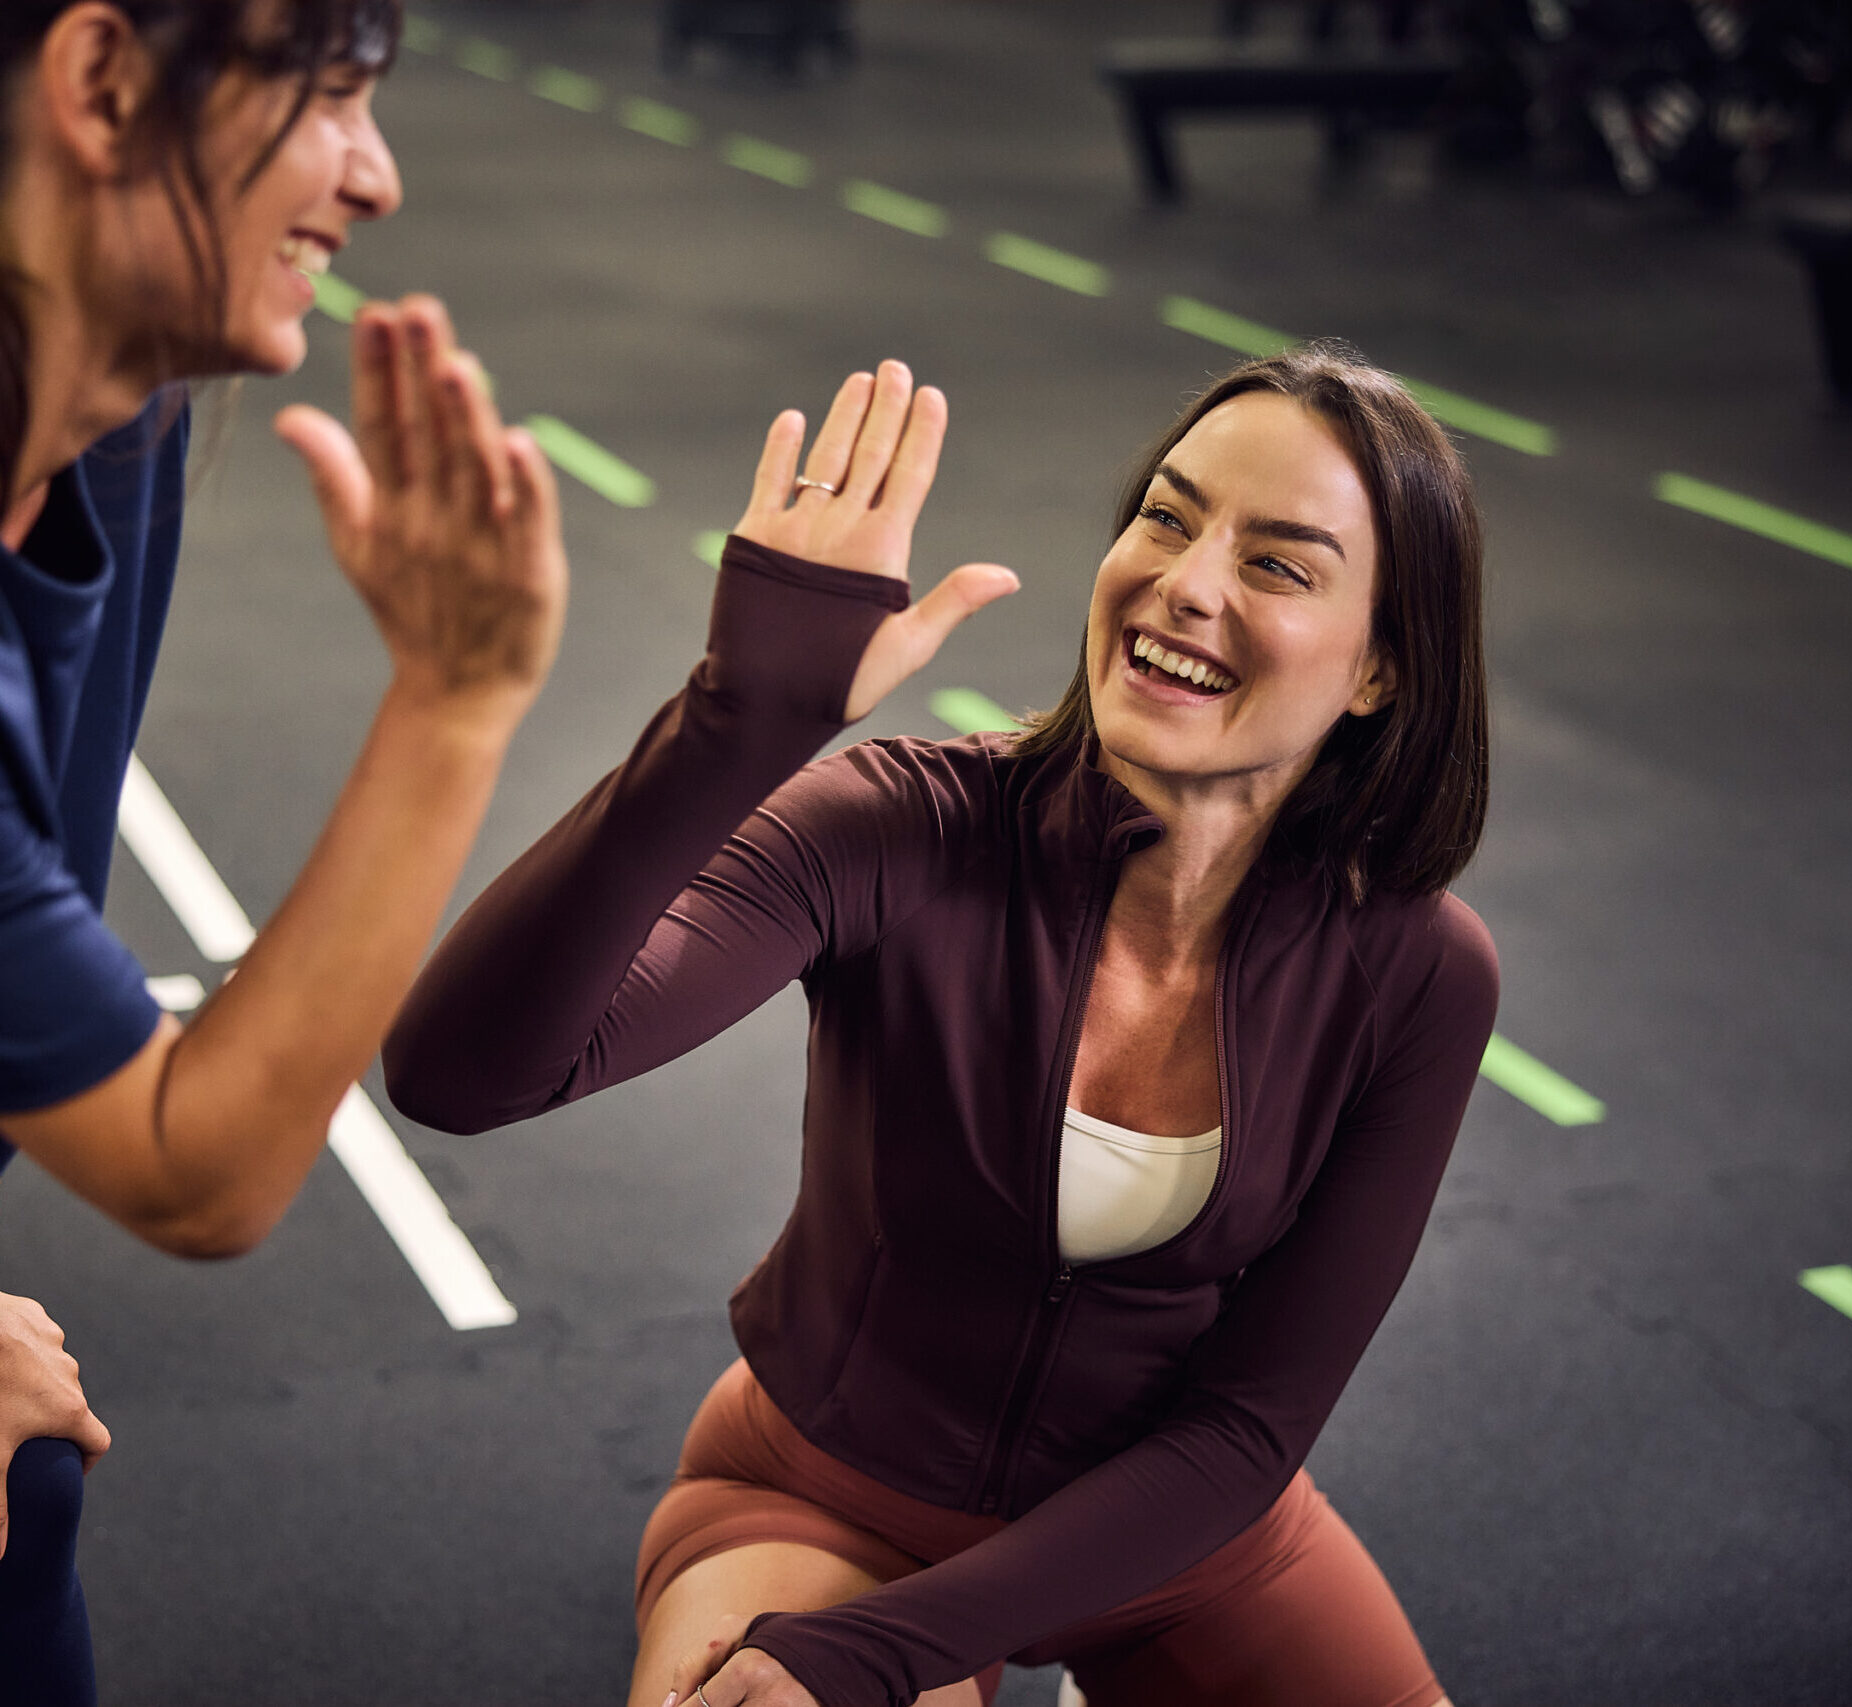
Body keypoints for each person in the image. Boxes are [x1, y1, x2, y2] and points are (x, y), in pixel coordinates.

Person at [386, 344, 1497, 1707]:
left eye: (1275, 564)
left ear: (1379, 669)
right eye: (1166, 517)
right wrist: (736, 723)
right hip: (826, 1499)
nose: (1186, 581)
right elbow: (460, 1078)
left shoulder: (1421, 974)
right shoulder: (898, 829)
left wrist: (882, 1654)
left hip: (1170, 1534)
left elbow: (1247, 1428)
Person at [0, 2, 568, 1699]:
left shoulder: (118, 435)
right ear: (102, 84)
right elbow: (197, 1168)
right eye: (328, 97)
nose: (376, 177)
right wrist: (455, 702)